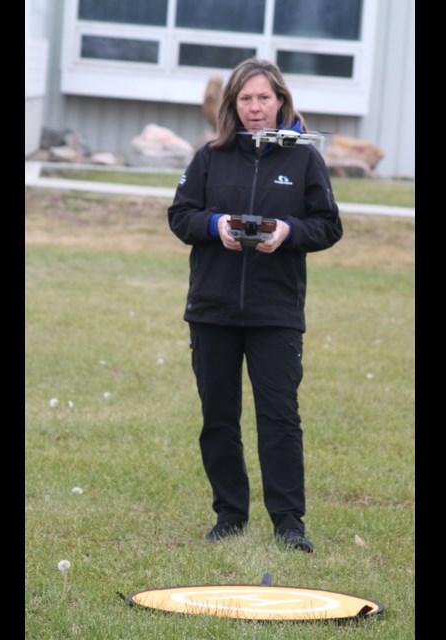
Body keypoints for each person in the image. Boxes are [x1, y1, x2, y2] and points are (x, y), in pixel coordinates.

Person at [168, 58, 343, 553]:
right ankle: (229, 515)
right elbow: (179, 215)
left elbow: (328, 226)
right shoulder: (210, 156)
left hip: (275, 312)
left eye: (263, 98)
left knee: (280, 417)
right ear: (232, 105)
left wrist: (287, 233)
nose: (254, 107)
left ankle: (289, 523)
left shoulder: (305, 160)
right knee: (218, 417)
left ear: (281, 101)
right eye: (245, 99)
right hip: (213, 310)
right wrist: (214, 226)